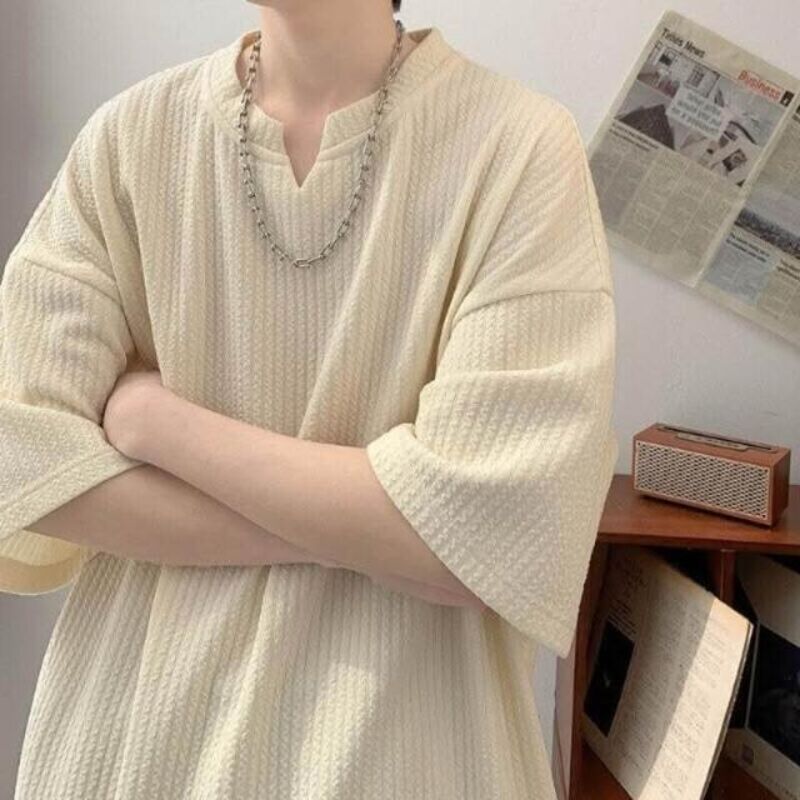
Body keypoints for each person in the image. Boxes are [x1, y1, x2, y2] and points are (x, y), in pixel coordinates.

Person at [0, 0, 619, 797]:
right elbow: (25, 466)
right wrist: (377, 531)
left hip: (406, 755)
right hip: (134, 747)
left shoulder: (517, 148)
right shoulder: (129, 138)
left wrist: (158, 424)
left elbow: (495, 537)